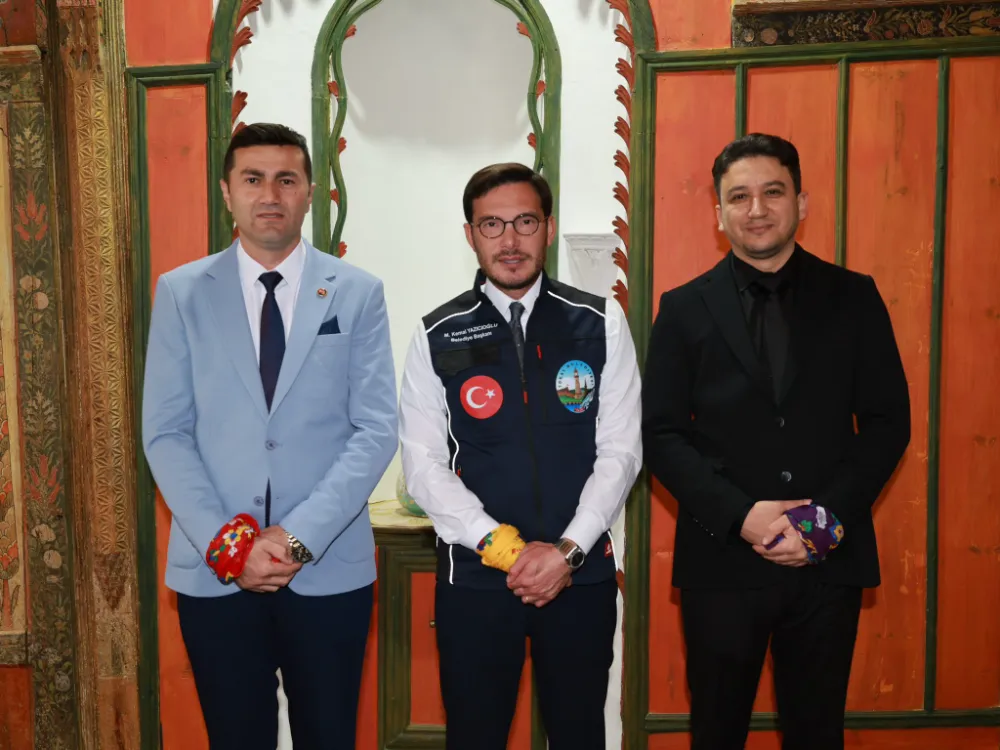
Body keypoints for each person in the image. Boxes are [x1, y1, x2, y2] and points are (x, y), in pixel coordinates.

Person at [642, 133, 911, 750]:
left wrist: (822, 521)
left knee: (817, 733)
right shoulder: (682, 308)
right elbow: (661, 433)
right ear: (719, 214)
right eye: (739, 196)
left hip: (827, 560)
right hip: (721, 562)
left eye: (773, 192)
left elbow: (887, 422)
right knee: (716, 733)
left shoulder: (855, 297)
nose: (756, 208)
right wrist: (741, 516)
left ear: (801, 202)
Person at [142, 123, 398, 749]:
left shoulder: (357, 292)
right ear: (226, 192)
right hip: (216, 573)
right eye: (253, 179)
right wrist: (233, 548)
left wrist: (295, 537)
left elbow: (375, 429)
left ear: (311, 192)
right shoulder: (181, 292)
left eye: (287, 180)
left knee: (328, 736)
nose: (270, 195)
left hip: (327, 568)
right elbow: (166, 433)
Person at [398, 163, 642, 750]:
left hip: (579, 575)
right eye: (492, 225)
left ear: (548, 228)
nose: (509, 240)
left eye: (525, 222)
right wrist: (505, 549)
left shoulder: (600, 321)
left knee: (578, 735)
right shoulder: (437, 333)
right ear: (470, 235)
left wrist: (566, 551)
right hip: (476, 579)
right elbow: (423, 465)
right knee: (475, 736)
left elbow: (621, 452)